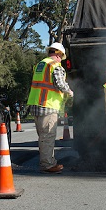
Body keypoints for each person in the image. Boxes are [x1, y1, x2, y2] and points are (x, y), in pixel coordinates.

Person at [26, 42, 74, 173]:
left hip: (36, 105)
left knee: (42, 137)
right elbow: (59, 83)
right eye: (61, 57)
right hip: (48, 105)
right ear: (58, 55)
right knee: (48, 137)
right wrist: (69, 91)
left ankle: (48, 162)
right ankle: (47, 165)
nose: (61, 60)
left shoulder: (40, 65)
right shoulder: (55, 66)